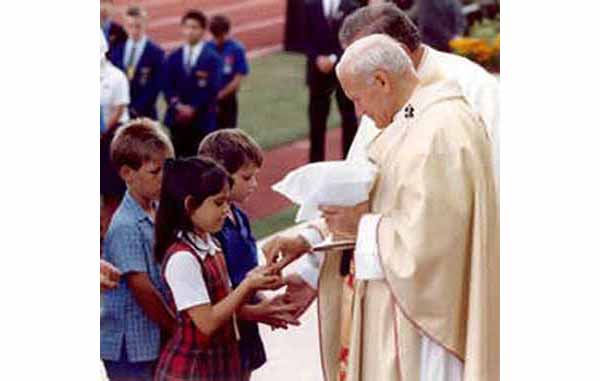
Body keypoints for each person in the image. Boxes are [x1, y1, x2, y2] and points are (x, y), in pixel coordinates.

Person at [265, 34, 499, 380]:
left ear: (382, 80)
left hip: (425, 327)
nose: (357, 111)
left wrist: (364, 228)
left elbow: (433, 244)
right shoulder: (409, 117)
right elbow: (380, 198)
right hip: (399, 310)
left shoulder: (441, 130)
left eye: (357, 98)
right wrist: (310, 239)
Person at [153, 157, 285, 381]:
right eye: (218, 202)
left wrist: (255, 282)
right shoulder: (183, 258)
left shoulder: (210, 243)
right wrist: (247, 285)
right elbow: (207, 322)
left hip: (220, 362)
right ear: (189, 205)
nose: (226, 210)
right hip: (193, 369)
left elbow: (223, 300)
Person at [339, 3, 499, 184]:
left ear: (400, 52)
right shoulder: (378, 88)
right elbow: (360, 162)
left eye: (359, 62)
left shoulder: (474, 86)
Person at [198, 130, 300, 379]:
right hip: (222, 337)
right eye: (247, 177)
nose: (254, 184)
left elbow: (245, 275)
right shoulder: (210, 228)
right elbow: (210, 303)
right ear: (220, 175)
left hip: (245, 329)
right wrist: (259, 311)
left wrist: (265, 295)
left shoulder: (240, 216)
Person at [101, 119, 177, 381]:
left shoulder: (156, 212)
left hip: (151, 340)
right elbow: (143, 289)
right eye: (155, 172)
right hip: (130, 349)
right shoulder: (126, 226)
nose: (163, 179)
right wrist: (176, 329)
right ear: (127, 174)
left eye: (166, 169)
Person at [304, 0, 360, 162]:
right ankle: (315, 163)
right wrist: (316, 58)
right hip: (317, 71)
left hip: (343, 70)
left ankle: (349, 161)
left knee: (348, 117)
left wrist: (334, 58)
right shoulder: (310, 6)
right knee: (316, 120)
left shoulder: (351, 7)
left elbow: (352, 40)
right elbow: (304, 37)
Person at [163, 10, 223, 158]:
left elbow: (212, 88)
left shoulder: (212, 58)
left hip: (201, 122)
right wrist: (177, 106)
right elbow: (166, 86)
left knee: (200, 165)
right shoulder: (173, 57)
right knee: (177, 164)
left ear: (203, 30)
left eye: (194, 28)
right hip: (177, 121)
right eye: (187, 27)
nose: (189, 31)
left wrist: (193, 108)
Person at [110, 6, 165, 120]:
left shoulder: (156, 52)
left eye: (138, 26)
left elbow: (156, 85)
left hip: (145, 114)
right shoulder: (117, 50)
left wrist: (137, 108)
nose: (134, 30)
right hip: (120, 113)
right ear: (125, 26)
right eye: (130, 26)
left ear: (145, 24)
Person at [101, 31, 130, 239]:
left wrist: (100, 131)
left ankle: (115, 233)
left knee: (113, 192)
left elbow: (119, 108)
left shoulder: (116, 76)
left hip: (111, 140)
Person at [207, 15, 250, 129]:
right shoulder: (207, 47)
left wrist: (219, 95)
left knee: (228, 135)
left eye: (219, 36)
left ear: (226, 32)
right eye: (214, 36)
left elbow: (237, 80)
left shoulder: (236, 49)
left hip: (228, 100)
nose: (216, 40)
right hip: (208, 101)